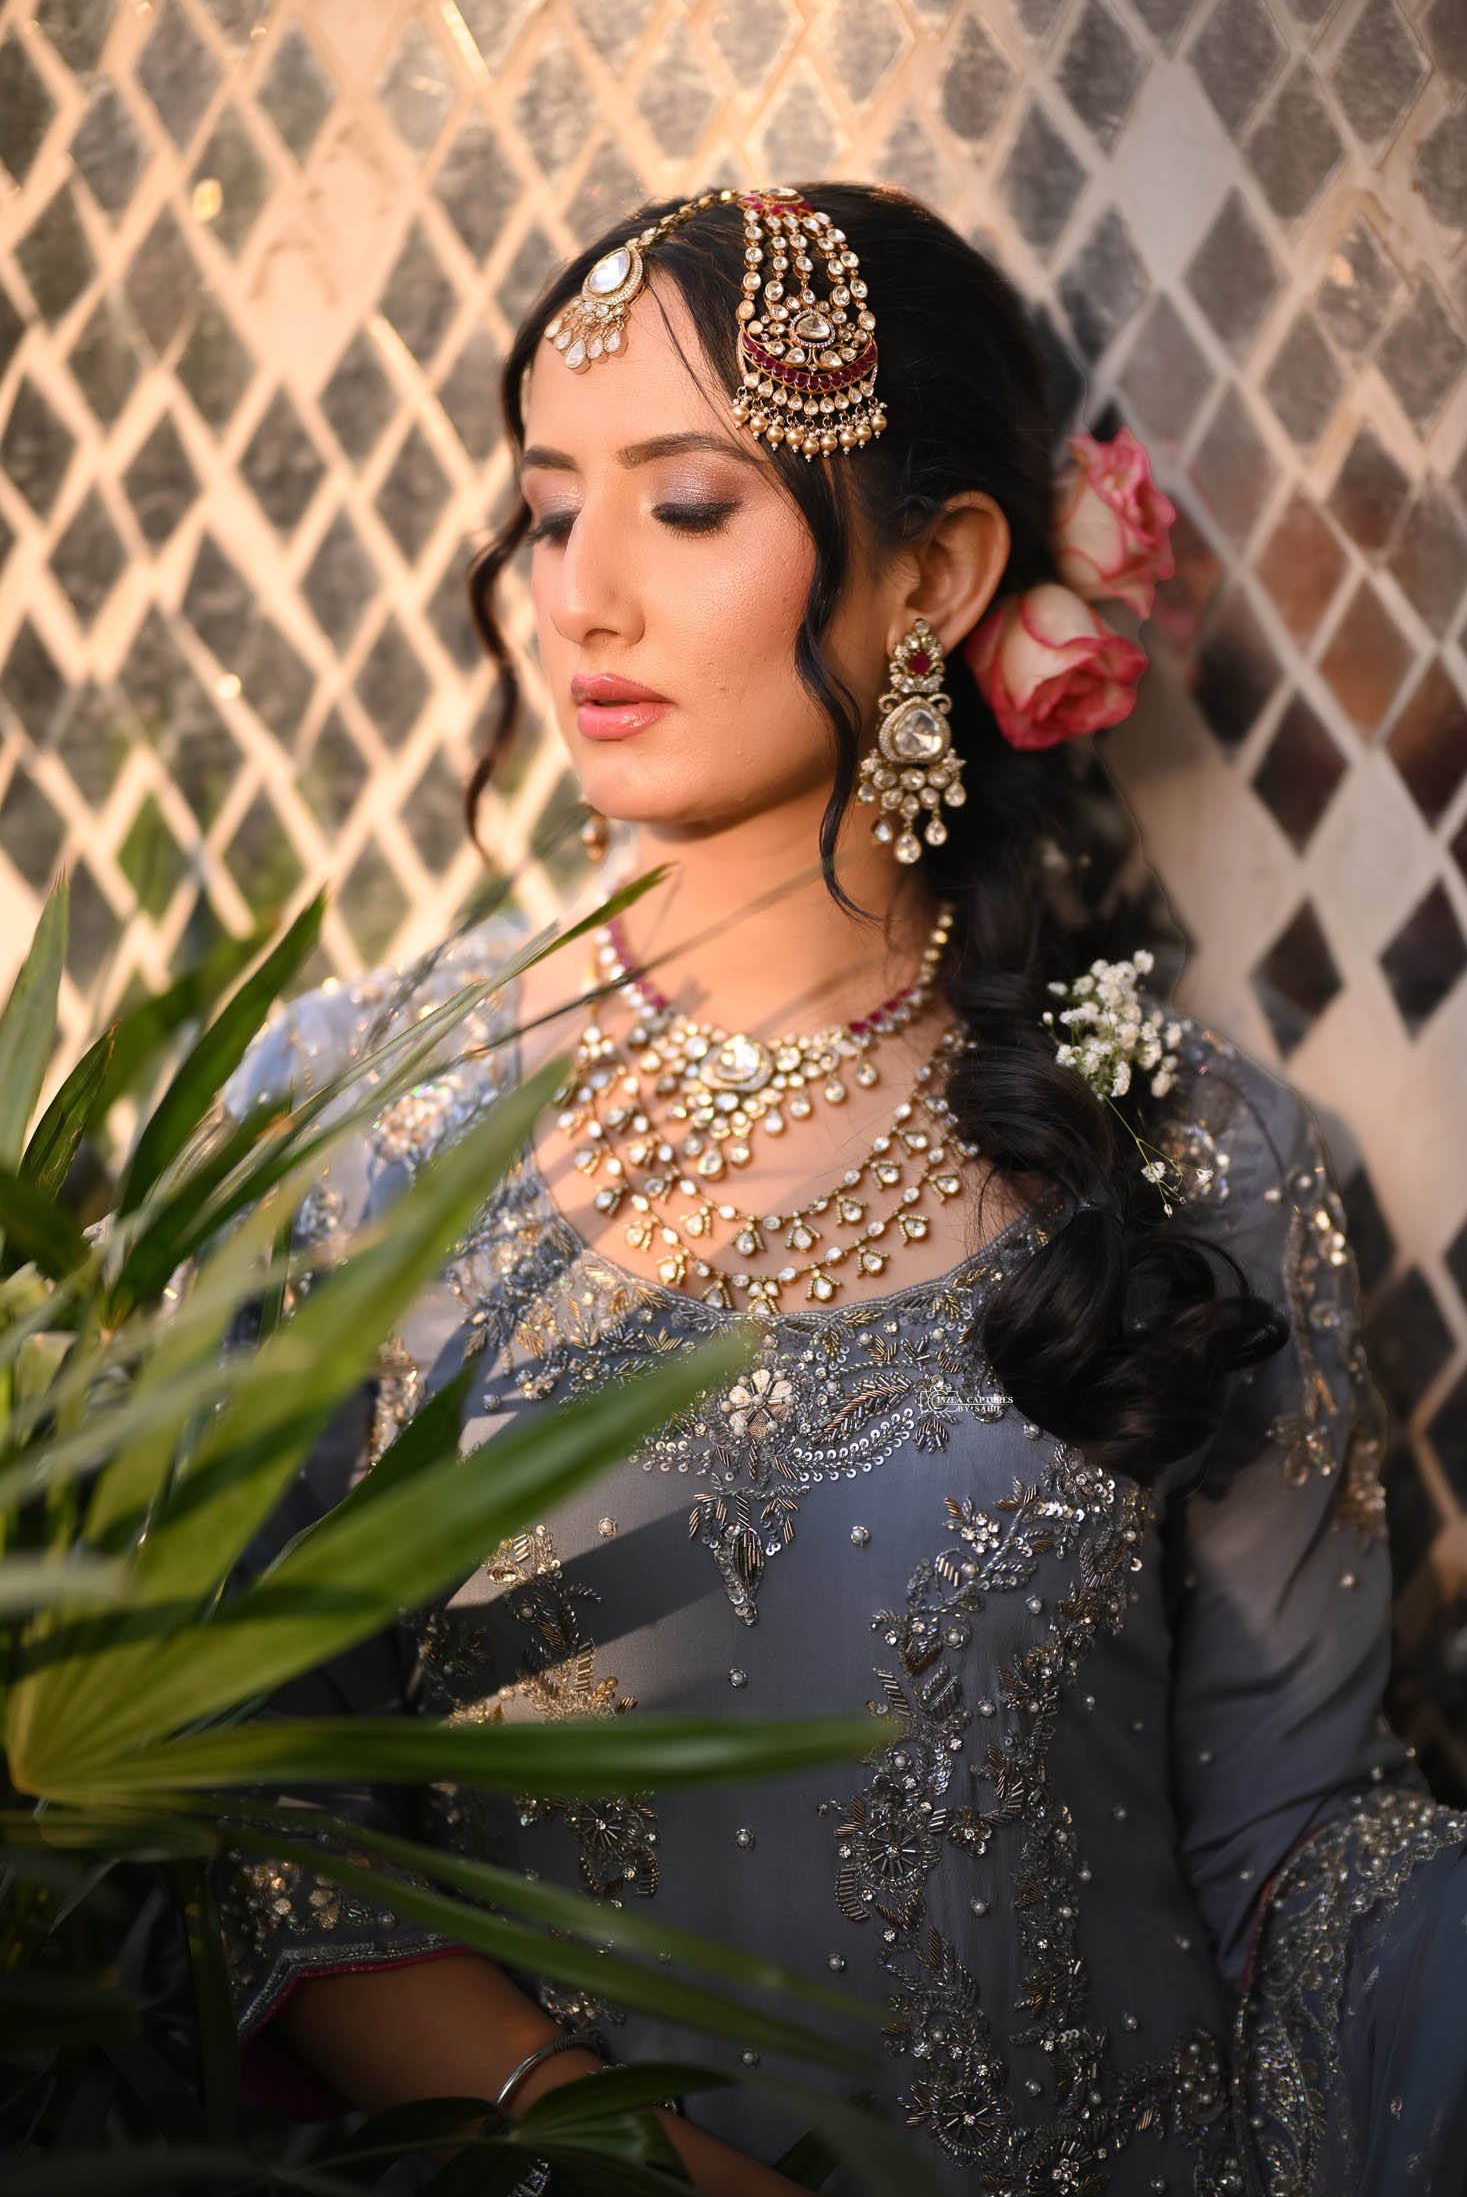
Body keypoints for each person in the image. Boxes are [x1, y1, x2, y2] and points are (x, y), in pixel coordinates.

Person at [217, 183, 1467, 2195]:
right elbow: (257, 1814)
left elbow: (1297, 1855)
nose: (582, 594)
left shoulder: (1189, 1160)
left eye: (685, 503)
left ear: (937, 571)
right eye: (548, 508)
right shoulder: (356, 1132)